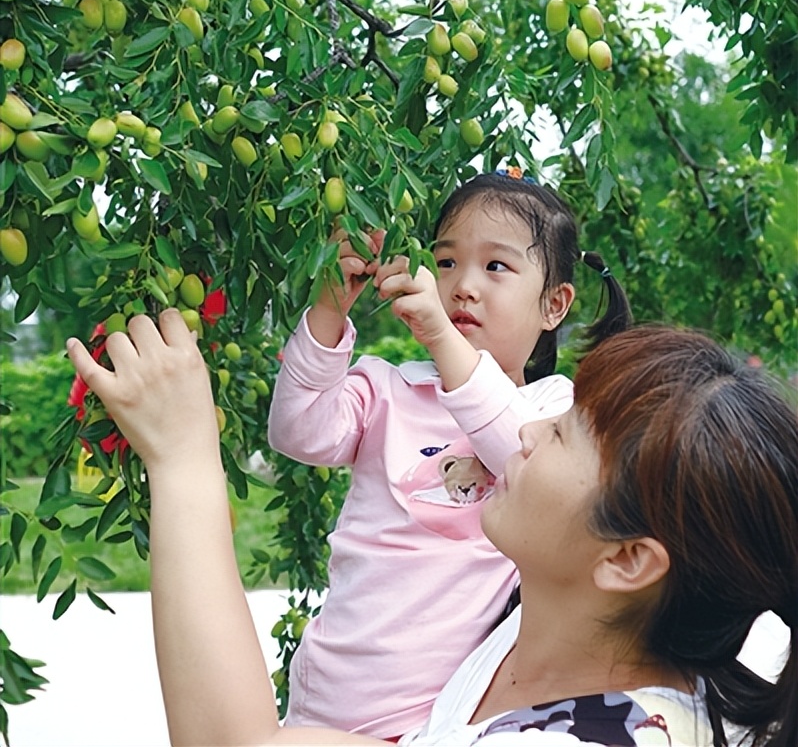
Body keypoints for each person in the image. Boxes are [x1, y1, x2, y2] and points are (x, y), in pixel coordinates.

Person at [65, 313, 798, 747]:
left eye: (568, 432)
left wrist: (185, 457)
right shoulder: (538, 638)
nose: (530, 428)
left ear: (630, 559)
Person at [267, 173, 632, 737]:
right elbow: (297, 432)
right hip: (327, 696)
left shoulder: (550, 410)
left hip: (434, 718)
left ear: (555, 305)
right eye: (444, 262)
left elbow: (522, 457)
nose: (463, 286)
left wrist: (442, 337)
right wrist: (330, 307)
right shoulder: (387, 389)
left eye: (496, 267)